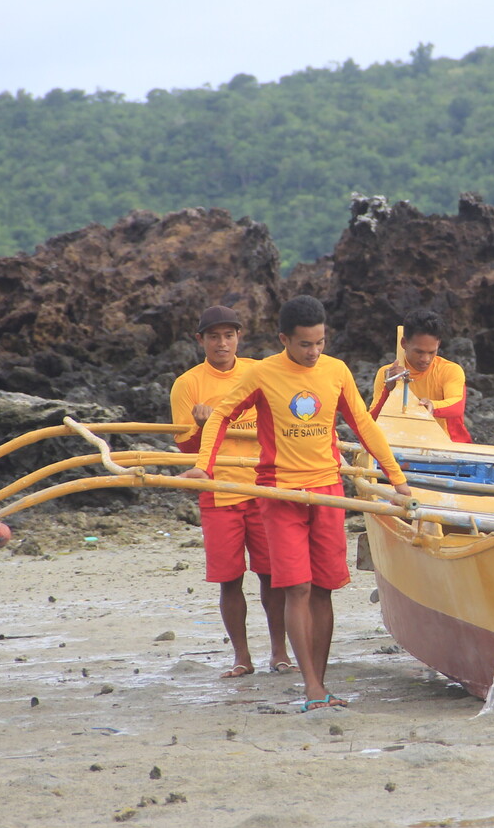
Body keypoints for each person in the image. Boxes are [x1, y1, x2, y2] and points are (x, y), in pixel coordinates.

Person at [179, 296, 412, 712]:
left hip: (326, 492)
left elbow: (363, 425)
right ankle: (311, 687)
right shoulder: (265, 373)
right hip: (281, 494)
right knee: (297, 587)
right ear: (284, 339)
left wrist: (396, 478)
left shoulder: (336, 371)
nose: (313, 352)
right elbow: (220, 415)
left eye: (320, 343)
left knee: (324, 589)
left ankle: (320, 681)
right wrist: (203, 465)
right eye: (305, 344)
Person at [169, 305, 288, 677]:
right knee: (229, 579)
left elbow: (280, 424)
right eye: (215, 336)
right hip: (218, 492)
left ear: (239, 337)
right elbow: (186, 450)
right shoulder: (188, 384)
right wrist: (204, 428)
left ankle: (279, 653)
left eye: (229, 335)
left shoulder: (258, 372)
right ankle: (242, 657)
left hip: (263, 486)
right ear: (200, 340)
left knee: (272, 575)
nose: (223, 343)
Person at [368, 308, 471, 442]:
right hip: (404, 444)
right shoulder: (387, 373)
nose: (425, 359)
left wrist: (432, 406)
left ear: (438, 344)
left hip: (448, 447)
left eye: (431, 352)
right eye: (419, 352)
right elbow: (372, 421)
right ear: (404, 343)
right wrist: (388, 390)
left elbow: (457, 407)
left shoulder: (450, 370)